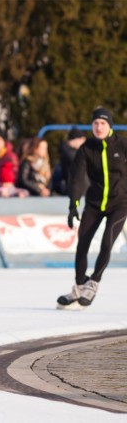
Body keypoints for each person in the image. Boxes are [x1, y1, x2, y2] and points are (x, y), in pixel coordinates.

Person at [57, 107, 127, 309]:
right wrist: (73, 205)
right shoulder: (86, 148)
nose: (98, 127)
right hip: (95, 203)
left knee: (107, 243)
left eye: (103, 123)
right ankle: (79, 286)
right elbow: (77, 178)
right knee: (82, 244)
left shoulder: (122, 144)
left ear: (110, 126)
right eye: (95, 123)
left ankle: (93, 282)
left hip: (120, 203)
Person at [0, 131, 27, 198]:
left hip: (5, 187)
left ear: (3, 141)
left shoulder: (10, 156)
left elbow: (14, 173)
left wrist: (7, 184)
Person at [54, 127, 87, 195]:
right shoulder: (67, 151)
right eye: (81, 140)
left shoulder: (74, 152)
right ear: (75, 140)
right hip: (75, 191)